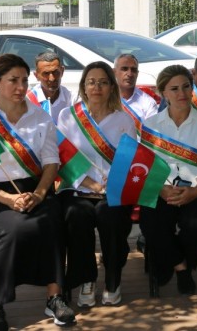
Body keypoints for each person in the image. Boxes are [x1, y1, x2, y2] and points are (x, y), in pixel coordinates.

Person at [0, 54, 75, 330]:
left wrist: (40, 193)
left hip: (33, 188)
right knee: (12, 228)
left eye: (24, 80)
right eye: (13, 80)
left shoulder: (40, 117)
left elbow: (51, 162)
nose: (21, 87)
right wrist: (8, 199)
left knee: (53, 219)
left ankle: (55, 297)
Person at [56, 61, 136, 307]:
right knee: (76, 217)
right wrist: (89, 183)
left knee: (110, 217)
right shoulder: (68, 116)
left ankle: (113, 277)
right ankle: (86, 278)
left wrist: (108, 186)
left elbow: (129, 161)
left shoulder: (124, 120)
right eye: (91, 82)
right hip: (77, 187)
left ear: (112, 87)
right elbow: (63, 158)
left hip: (111, 190)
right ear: (83, 86)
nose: (97, 87)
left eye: (103, 82)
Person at [139, 64, 197, 294]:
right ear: (163, 93)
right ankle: (180, 267)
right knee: (152, 223)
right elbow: (146, 165)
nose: (182, 94)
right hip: (162, 189)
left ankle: (165, 262)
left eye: (186, 87)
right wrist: (162, 189)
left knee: (196, 225)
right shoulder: (150, 125)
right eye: (174, 89)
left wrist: (195, 191)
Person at [114, 53, 159, 124]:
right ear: (114, 72)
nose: (129, 74)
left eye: (133, 70)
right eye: (124, 69)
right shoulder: (104, 99)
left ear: (137, 74)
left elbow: (151, 132)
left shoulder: (148, 103)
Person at [28, 50, 72, 122]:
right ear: (36, 76)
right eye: (46, 73)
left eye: (56, 72)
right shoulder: (28, 101)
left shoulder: (72, 99)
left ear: (62, 71)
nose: (52, 78)